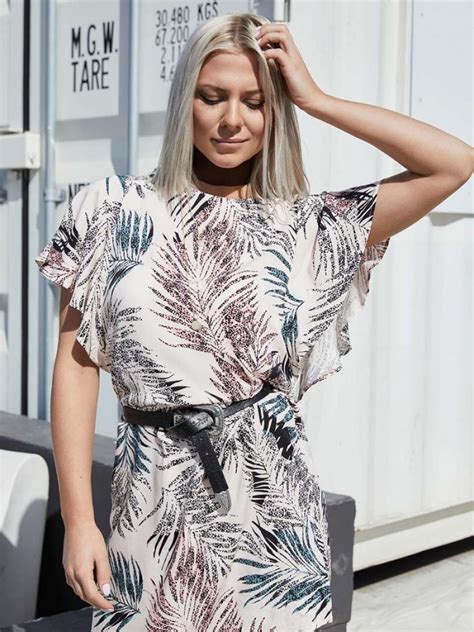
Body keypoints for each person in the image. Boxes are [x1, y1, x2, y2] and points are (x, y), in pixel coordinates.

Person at [34, 11, 472, 632]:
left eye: (255, 102)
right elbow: (77, 366)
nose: (231, 120)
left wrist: (316, 99)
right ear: (186, 99)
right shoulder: (111, 209)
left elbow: (453, 163)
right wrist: (80, 520)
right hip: (151, 508)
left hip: (274, 517)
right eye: (212, 98)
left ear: (277, 114)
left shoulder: (310, 227)